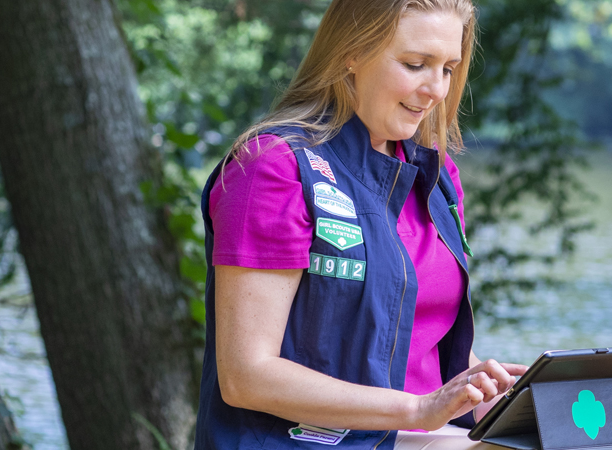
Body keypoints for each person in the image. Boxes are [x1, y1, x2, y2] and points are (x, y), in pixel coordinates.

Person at [193, 0, 525, 449]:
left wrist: (495, 397)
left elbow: (424, 342)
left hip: (427, 436)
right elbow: (246, 376)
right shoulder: (273, 168)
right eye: (415, 64)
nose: (436, 90)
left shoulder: (439, 178)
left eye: (447, 68)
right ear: (351, 51)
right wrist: (418, 409)